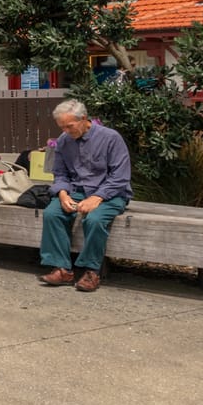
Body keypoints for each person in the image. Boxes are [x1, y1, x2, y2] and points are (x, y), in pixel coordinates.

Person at [38, 98, 134, 293]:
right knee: (52, 213)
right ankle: (62, 269)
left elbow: (120, 177)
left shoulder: (110, 138)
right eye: (62, 127)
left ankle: (92, 271)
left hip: (111, 193)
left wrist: (97, 197)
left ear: (83, 119)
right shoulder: (63, 141)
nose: (66, 131)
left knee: (94, 219)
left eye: (69, 126)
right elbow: (60, 174)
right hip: (76, 191)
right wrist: (63, 194)